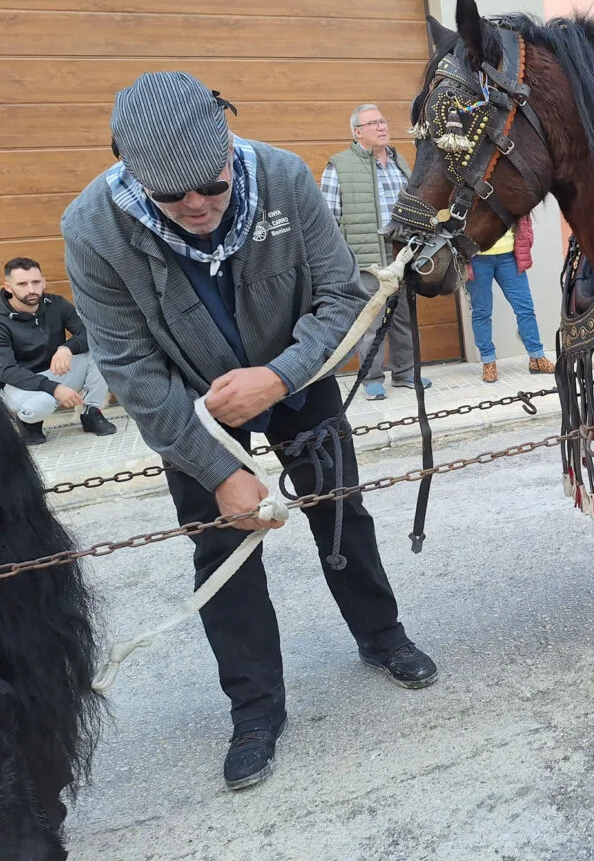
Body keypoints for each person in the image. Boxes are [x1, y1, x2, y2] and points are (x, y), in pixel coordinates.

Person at [61, 72, 437, 792]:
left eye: (212, 185)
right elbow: (130, 367)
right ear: (130, 171)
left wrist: (283, 376)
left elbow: (341, 295)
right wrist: (219, 470)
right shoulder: (91, 228)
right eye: (174, 197)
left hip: (295, 375)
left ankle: (382, 636)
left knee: (341, 515)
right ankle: (256, 708)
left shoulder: (285, 178)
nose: (198, 205)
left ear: (229, 148)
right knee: (221, 550)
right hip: (190, 406)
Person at [320, 104, 431, 401]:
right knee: (370, 320)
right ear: (357, 132)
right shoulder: (339, 165)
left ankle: (406, 372)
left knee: (404, 317)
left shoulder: (399, 162)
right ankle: (371, 377)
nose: (382, 127)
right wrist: (343, 259)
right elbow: (328, 218)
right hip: (366, 255)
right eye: (373, 123)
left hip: (402, 253)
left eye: (383, 121)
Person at [1, 257, 117, 445]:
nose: (31, 289)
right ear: (8, 287)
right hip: (17, 385)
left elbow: (89, 333)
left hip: (55, 372)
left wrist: (66, 348)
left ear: (43, 282)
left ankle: (92, 413)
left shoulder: (55, 304)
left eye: (36, 282)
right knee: (41, 403)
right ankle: (29, 424)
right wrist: (55, 388)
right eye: (22, 284)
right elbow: (6, 370)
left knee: (100, 349)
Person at [468, 218, 554, 383]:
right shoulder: (471, 193)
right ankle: (488, 361)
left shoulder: (509, 191)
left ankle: (537, 357)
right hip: (477, 258)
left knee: (525, 308)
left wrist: (526, 237)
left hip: (510, 256)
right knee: (482, 312)